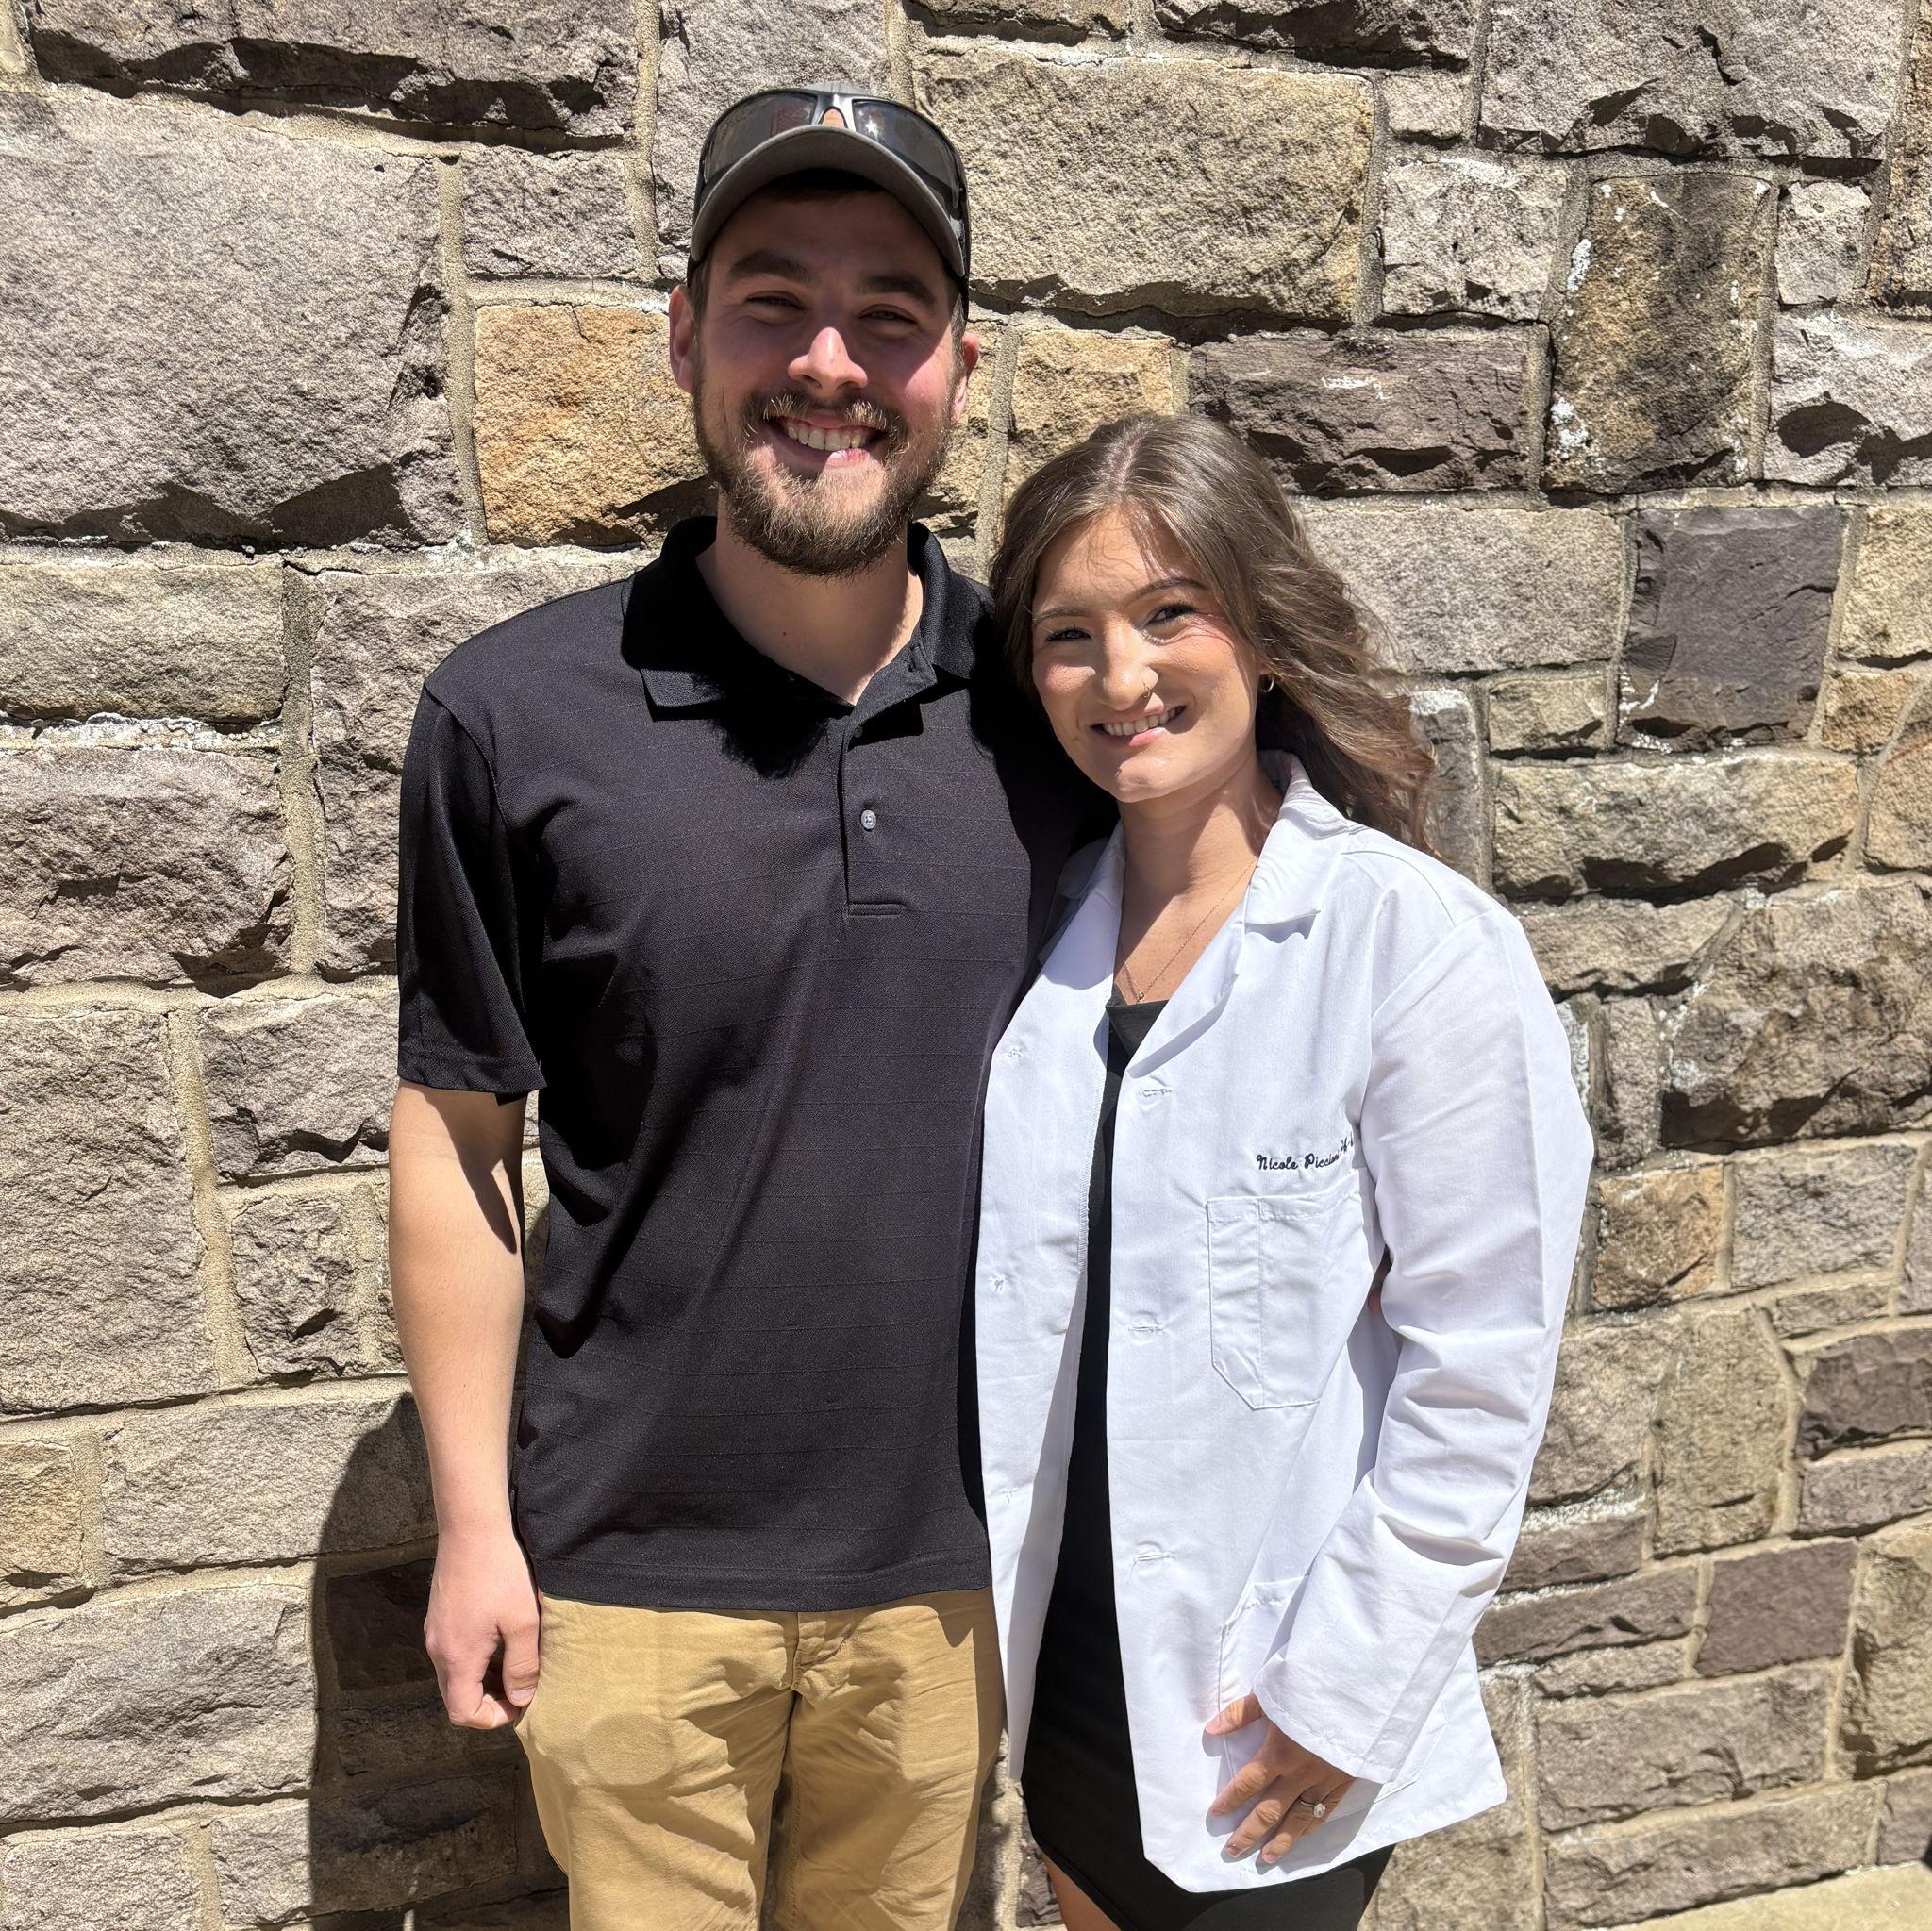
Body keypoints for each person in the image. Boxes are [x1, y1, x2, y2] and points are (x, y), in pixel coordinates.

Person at [386, 88, 1106, 1931]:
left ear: (957, 365)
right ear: (686, 337)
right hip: (628, 1579)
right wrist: (475, 1524)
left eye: (887, 314)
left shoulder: (1063, 721)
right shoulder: (511, 717)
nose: (827, 364)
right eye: (773, 299)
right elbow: (461, 1137)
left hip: (953, 1574)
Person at [974, 412, 1595, 1931]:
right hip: (1068, 1679)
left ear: (1259, 631)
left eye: (1169, 613)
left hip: (1272, 1697)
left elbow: (1481, 1371)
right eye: (1070, 635)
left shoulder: (1415, 947)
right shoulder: (1031, 947)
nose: (1121, 679)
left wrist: (1344, 1688)